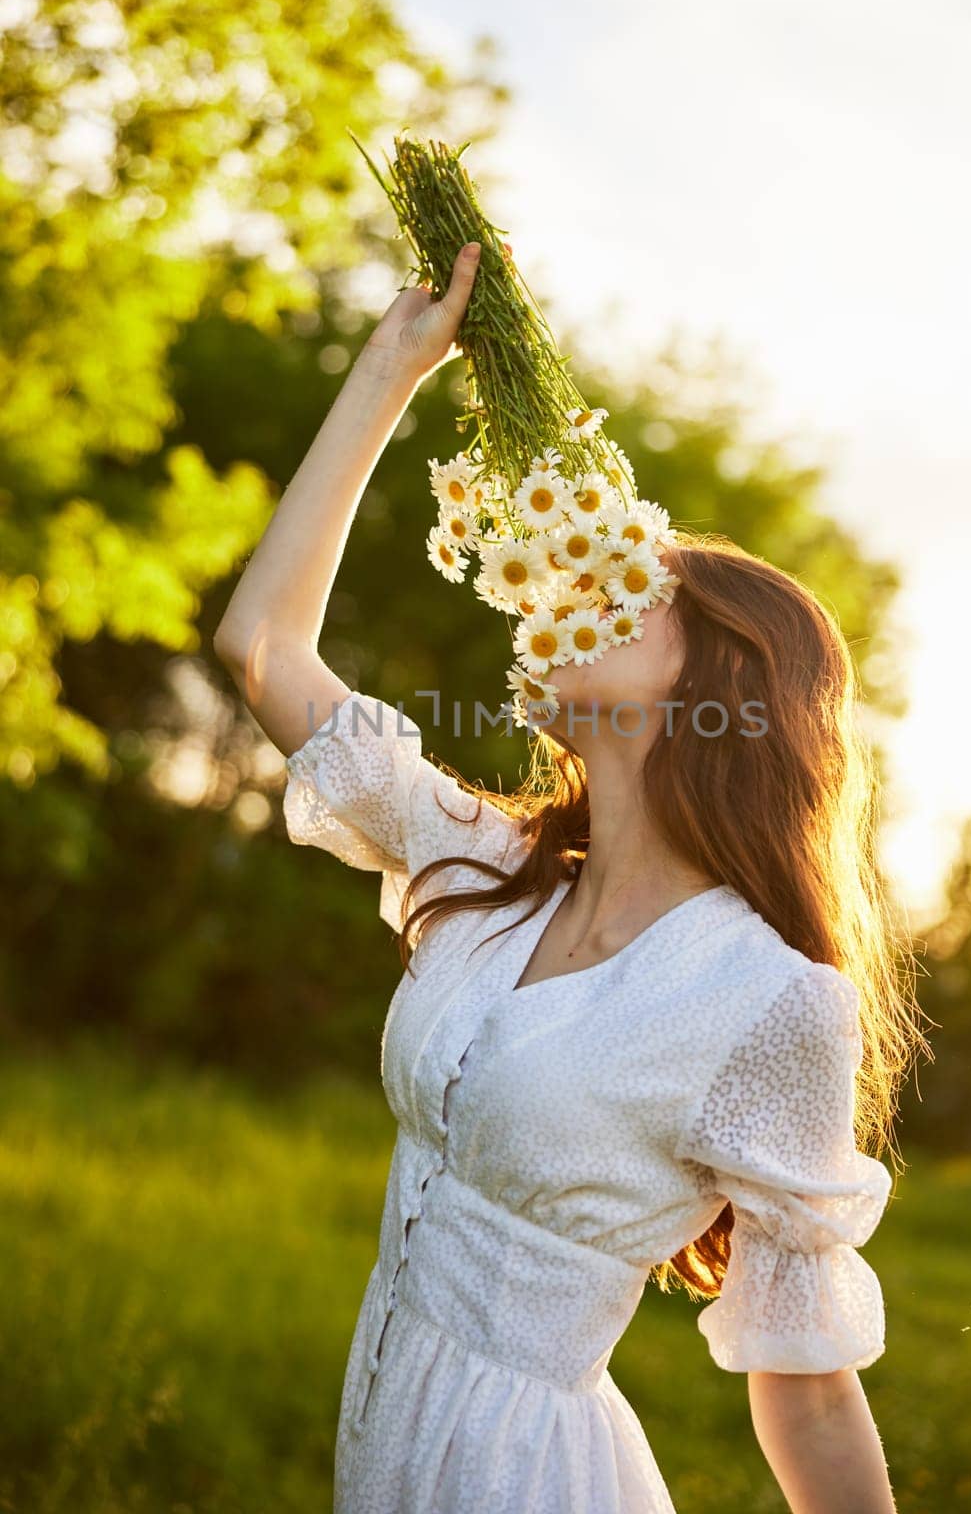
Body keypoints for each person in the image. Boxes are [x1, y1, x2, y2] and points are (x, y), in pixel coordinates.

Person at [215, 243, 920, 1513]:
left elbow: (806, 1388)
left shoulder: (771, 1000)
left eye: (633, 597)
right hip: (379, 1462)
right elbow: (261, 648)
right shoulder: (492, 868)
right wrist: (390, 371)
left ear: (716, 693)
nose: (583, 598)